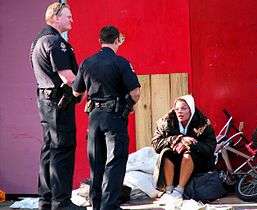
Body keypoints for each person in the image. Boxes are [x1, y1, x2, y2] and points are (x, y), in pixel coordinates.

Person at [72, 25, 141, 210]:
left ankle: (96, 205)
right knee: (115, 162)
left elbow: (76, 91)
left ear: (100, 41)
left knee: (96, 164)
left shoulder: (87, 62)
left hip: (94, 119)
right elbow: (135, 92)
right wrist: (128, 106)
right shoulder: (121, 63)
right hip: (114, 117)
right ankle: (109, 206)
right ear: (117, 40)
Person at [30, 2, 85, 210]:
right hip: (58, 103)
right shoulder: (55, 42)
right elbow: (68, 77)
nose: (72, 20)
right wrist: (84, 87)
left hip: (45, 101)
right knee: (62, 149)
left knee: (49, 149)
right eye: (68, 16)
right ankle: (61, 202)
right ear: (54, 17)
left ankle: (46, 200)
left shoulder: (37, 40)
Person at [151, 95, 217, 202]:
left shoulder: (203, 123)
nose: (179, 112)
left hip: (197, 164)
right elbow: (156, 144)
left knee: (188, 154)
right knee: (166, 153)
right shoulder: (165, 122)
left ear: (191, 109)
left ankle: (179, 190)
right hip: (175, 162)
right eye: (177, 109)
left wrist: (191, 144)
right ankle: (169, 189)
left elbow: (210, 148)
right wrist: (178, 139)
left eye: (184, 108)